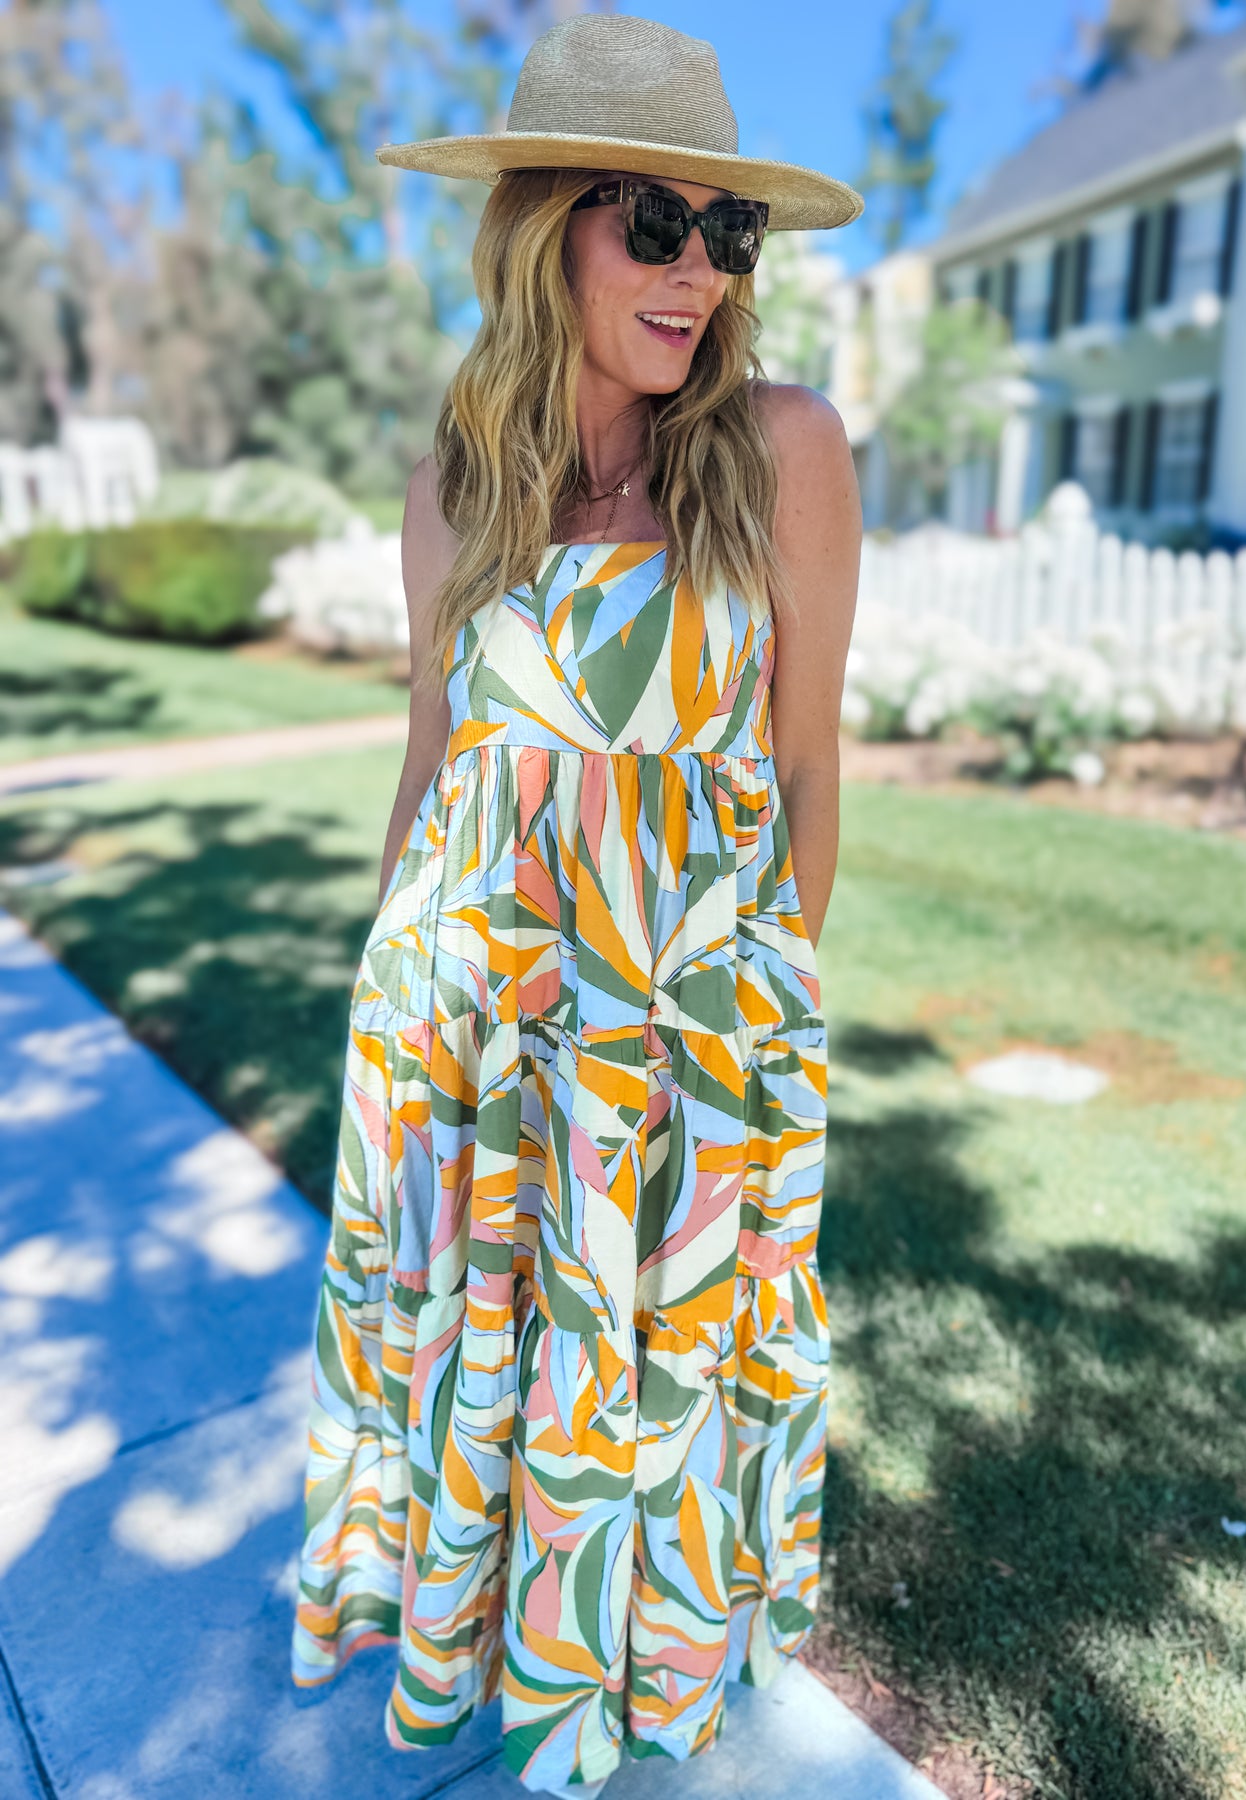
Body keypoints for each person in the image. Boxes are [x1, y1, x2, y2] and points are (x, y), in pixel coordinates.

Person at [289, 14, 863, 1797]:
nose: (702, 271)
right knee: (493, 1359)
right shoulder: (451, 491)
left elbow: (805, 769)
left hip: (683, 1034)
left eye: (727, 230)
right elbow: (435, 764)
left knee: (650, 1387)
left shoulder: (780, 449)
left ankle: (621, 1687)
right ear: (546, 230)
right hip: (460, 1028)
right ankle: (490, 1658)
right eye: (656, 222)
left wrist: (756, 1034)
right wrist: (387, 1012)